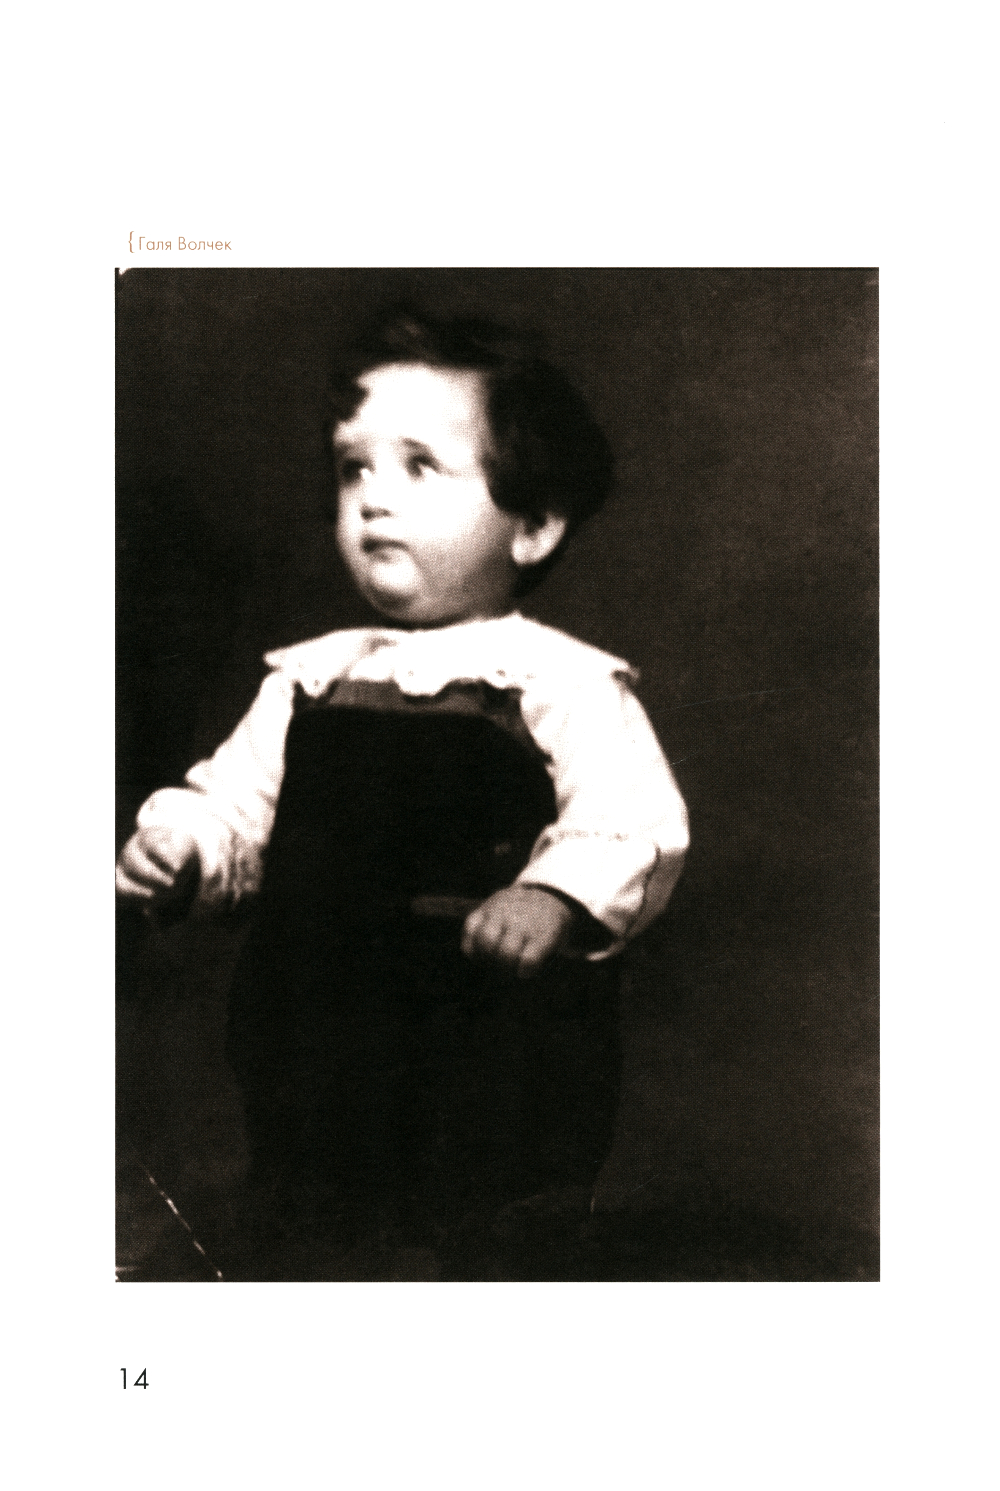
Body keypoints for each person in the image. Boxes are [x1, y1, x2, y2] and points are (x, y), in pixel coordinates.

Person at [116, 310, 689, 1276]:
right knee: (309, 1228)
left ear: (534, 525)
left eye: (420, 466)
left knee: (482, 1237)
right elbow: (235, 804)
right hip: (311, 1029)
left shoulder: (561, 681)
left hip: (484, 1043)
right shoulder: (311, 677)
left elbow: (631, 820)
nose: (374, 498)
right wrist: (187, 845)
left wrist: (551, 895)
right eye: (355, 469)